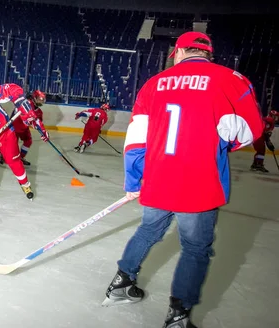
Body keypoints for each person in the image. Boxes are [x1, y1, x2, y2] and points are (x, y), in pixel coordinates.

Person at [101, 31, 264, 328]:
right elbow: (250, 130)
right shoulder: (229, 79)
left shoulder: (153, 84)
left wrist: (134, 181)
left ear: (178, 53)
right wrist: (221, 143)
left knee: (148, 230)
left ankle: (121, 284)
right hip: (200, 183)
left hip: (158, 179)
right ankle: (178, 315)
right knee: (195, 248)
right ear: (208, 55)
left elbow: (136, 140)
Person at [0, 89, 46, 166]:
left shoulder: (39, 112)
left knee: (28, 141)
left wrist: (41, 131)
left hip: (24, 128)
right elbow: (17, 111)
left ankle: (21, 157)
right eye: (39, 99)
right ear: (34, 97)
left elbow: (38, 123)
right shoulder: (26, 103)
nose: (40, 102)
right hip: (15, 126)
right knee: (11, 144)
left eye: (42, 100)